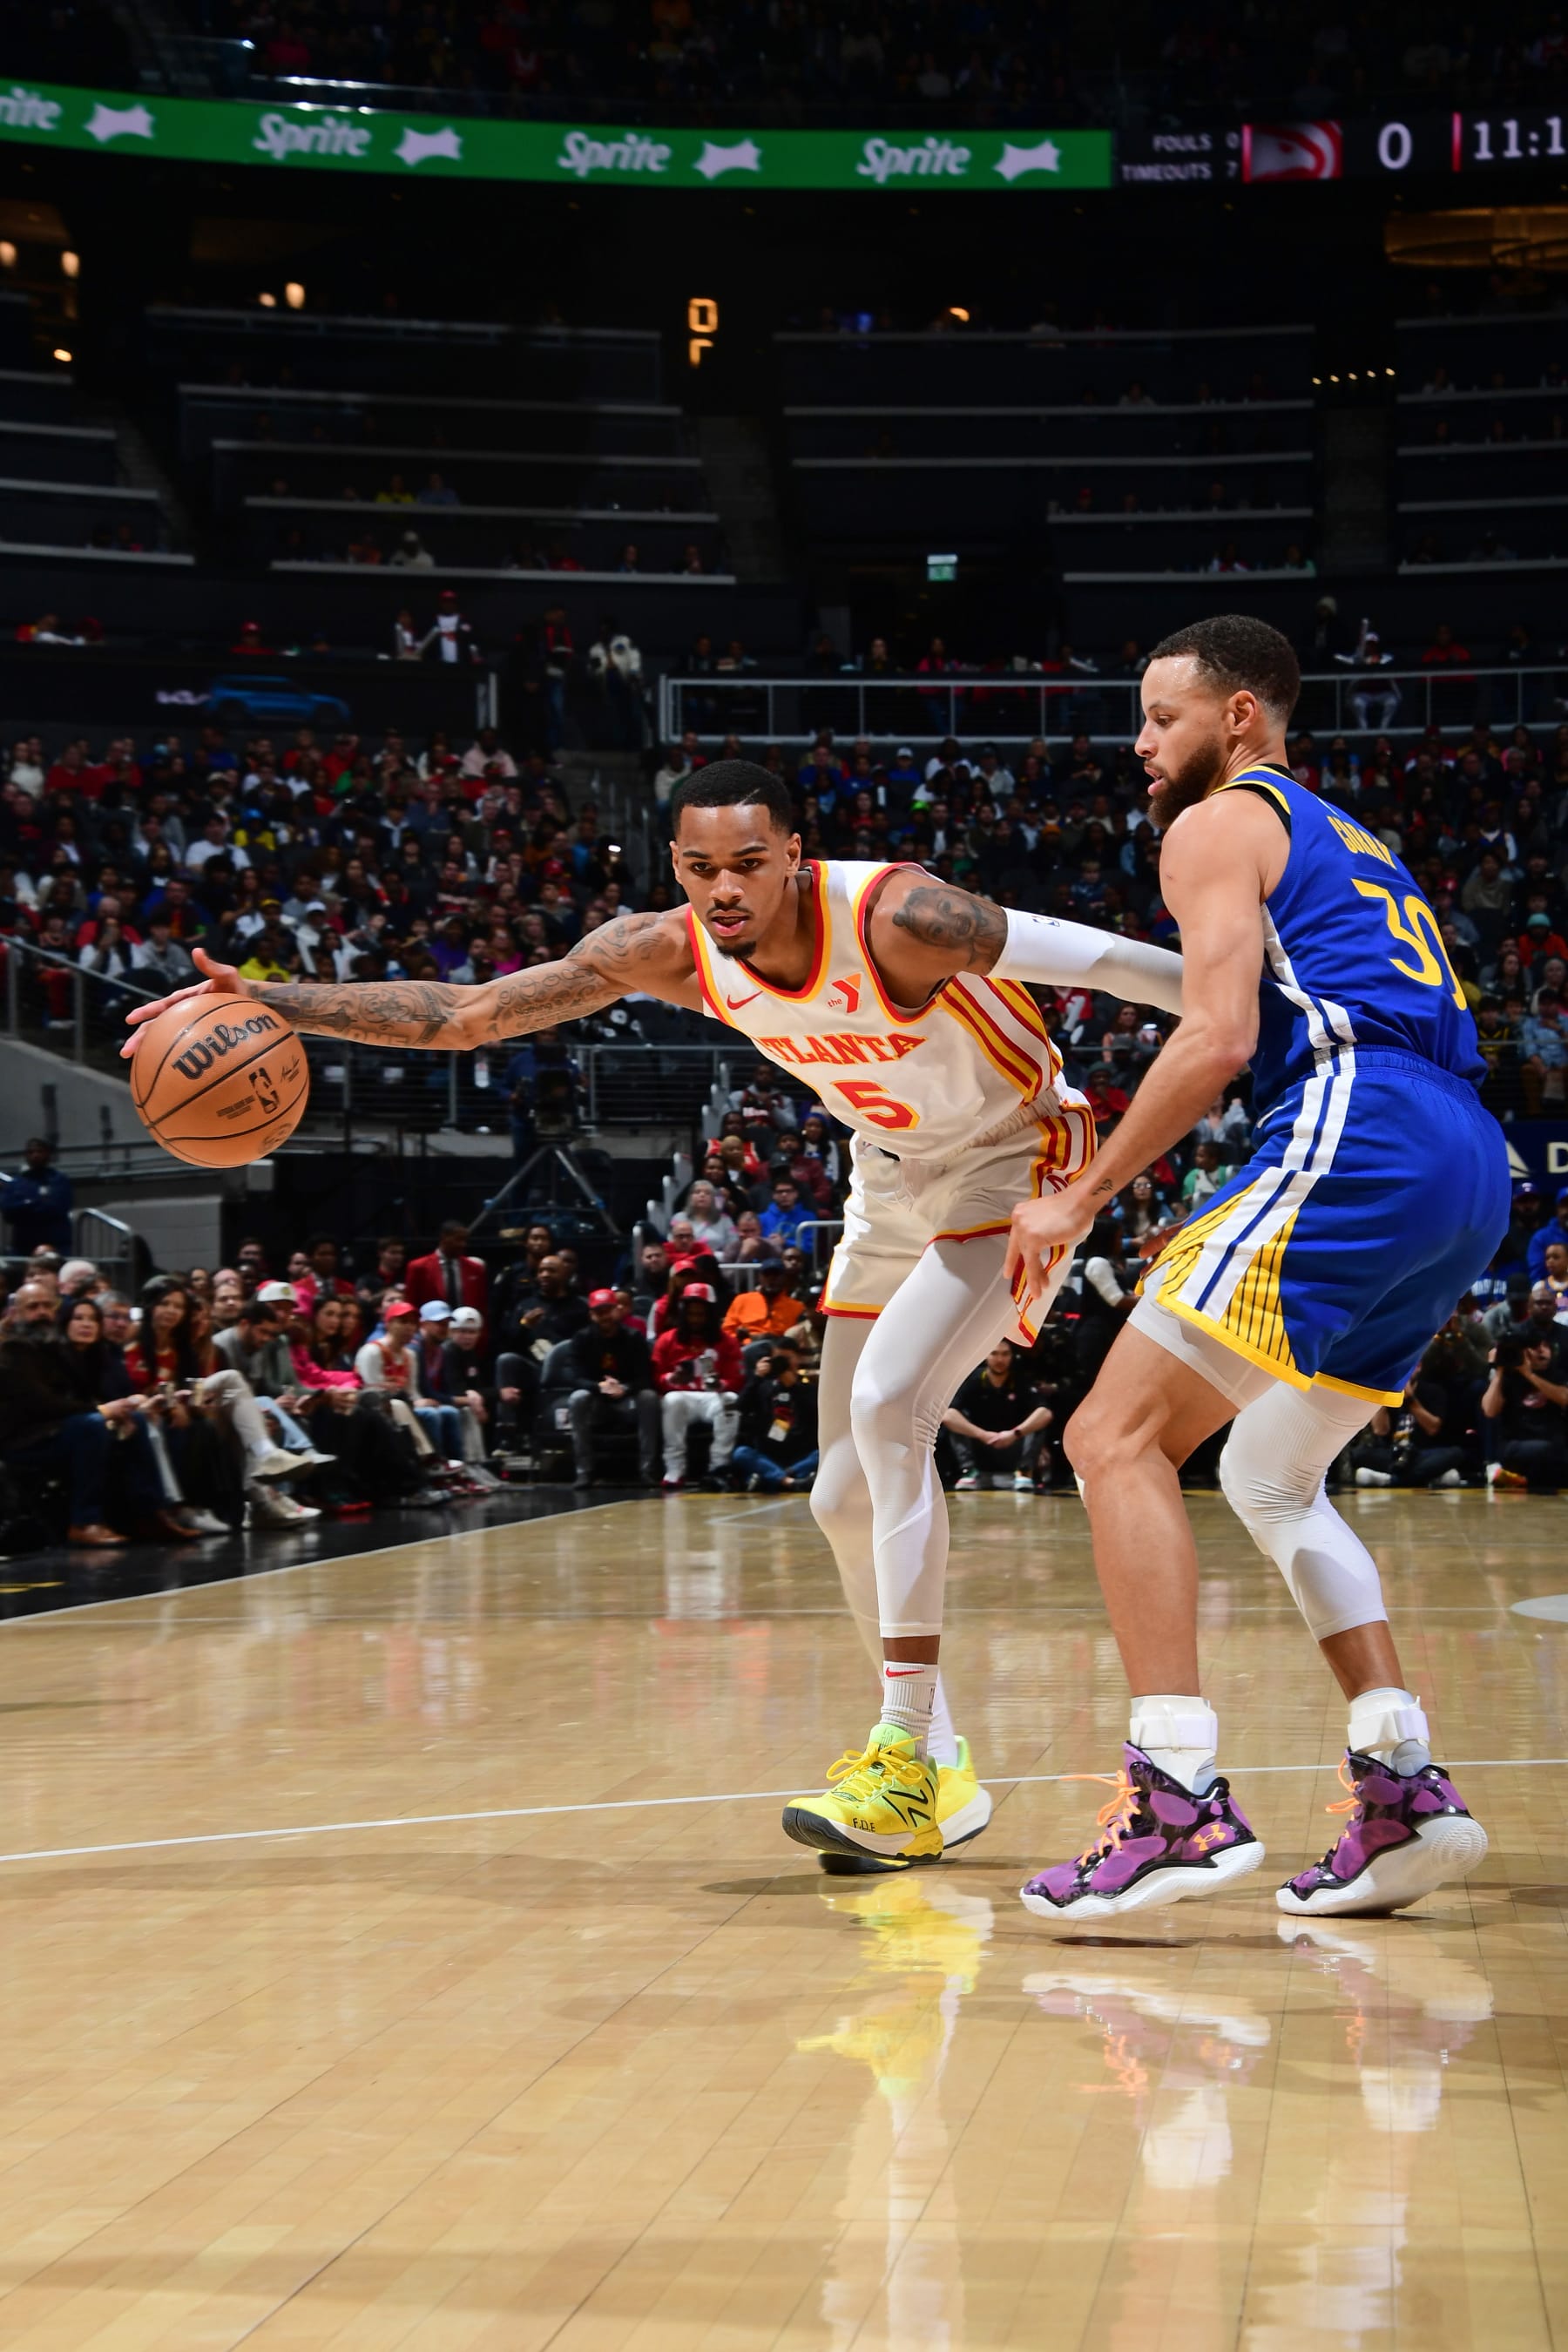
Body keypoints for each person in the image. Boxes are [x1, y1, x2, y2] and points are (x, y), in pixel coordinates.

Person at [125, 757, 1184, 1875]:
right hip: (890, 1174)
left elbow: (1112, 963)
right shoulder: (666, 950)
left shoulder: (897, 916)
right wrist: (269, 1000)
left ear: (793, 857)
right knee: (837, 1497)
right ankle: (943, 1774)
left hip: (1017, 1156)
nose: (723, 889)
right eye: (700, 868)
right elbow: (470, 1014)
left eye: (747, 864)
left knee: (887, 1409)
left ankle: (905, 1751)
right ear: (676, 866)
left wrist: (1255, 1004)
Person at [1007, 613, 1509, 1924]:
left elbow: (1222, 1037)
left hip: (1362, 1122)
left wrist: (1082, 1196)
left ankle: (1175, 1795)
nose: (1139, 741)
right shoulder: (1358, 838)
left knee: (1110, 1436)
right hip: (1466, 1160)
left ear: (1239, 719)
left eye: (1160, 716)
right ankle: (1400, 1780)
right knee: (1269, 1471)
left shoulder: (1217, 822)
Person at [0, 1281, 123, 1545]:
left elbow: (76, 1394)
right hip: (23, 1439)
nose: (42, 1312)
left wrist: (114, 1410)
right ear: (15, 1313)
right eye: (33, 1307)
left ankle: (146, 1512)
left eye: (47, 1306)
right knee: (92, 1425)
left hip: (55, 1429)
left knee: (131, 1421)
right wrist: (100, 1410)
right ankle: (84, 1522)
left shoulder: (54, 1346)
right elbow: (39, 1403)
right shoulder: (12, 1349)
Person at [562, 1288, 660, 1489]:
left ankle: (648, 1468)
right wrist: (598, 1386)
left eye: (608, 1310)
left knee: (649, 1397)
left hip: (627, 1400)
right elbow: (573, 1376)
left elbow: (645, 1377)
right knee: (577, 1398)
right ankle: (584, 1471)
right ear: (591, 1315)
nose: (605, 1316)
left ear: (617, 1311)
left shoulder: (634, 1338)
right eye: (599, 1312)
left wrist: (625, 1388)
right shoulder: (582, 1338)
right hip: (597, 1401)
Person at [652, 1284, 743, 1489]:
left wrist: (721, 1383)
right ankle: (675, 1468)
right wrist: (672, 1379)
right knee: (671, 1400)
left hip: (713, 1397)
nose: (695, 1319)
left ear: (710, 1314)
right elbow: (655, 1377)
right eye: (691, 1314)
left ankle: (719, 1468)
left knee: (731, 1401)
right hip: (682, 1397)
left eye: (701, 1314)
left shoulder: (727, 1342)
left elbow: (737, 1379)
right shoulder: (667, 1339)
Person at [942, 1340, 1054, 1490]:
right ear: (985, 1356)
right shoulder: (972, 1380)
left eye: (1005, 1354)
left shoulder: (1021, 1380)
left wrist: (1014, 1434)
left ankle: (1024, 1471)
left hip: (1013, 1445)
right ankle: (968, 1471)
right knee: (957, 1419)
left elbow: (1045, 1413)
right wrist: (983, 1435)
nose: (999, 1360)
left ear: (1012, 1356)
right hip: (981, 1446)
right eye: (994, 1354)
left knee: (1037, 1420)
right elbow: (948, 1415)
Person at [1482, 1322, 1568, 1488]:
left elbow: (1564, 1399)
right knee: (1545, 1450)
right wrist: (1499, 1371)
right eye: (1536, 1347)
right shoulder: (1508, 1378)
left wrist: (1529, 1375)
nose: (1542, 1351)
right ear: (1524, 1352)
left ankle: (1522, 1481)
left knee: (1552, 1452)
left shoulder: (1556, 1375)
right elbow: (1490, 1411)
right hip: (1516, 1445)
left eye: (1545, 1346)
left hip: (1554, 1445)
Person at [731, 1341, 819, 1490]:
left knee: (824, 1454)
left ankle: (776, 1477)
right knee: (741, 1453)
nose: (782, 1363)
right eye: (778, 1359)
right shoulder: (762, 1386)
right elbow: (740, 1406)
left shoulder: (808, 1388)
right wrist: (757, 1376)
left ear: (797, 1359)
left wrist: (794, 1388)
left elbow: (816, 1415)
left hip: (801, 1454)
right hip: (768, 1453)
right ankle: (792, 1482)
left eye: (787, 1358)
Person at [406, 1220, 489, 1326]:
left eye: (465, 1240)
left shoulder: (475, 1268)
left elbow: (482, 1306)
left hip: (467, 1330)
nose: (462, 1244)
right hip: (432, 1331)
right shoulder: (419, 1267)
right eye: (458, 1240)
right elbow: (412, 1304)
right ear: (444, 1237)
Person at [4, 1138, 73, 1254]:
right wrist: (36, 1204)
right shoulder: (18, 1182)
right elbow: (8, 1210)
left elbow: (57, 1208)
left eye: (39, 1151)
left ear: (48, 1154)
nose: (35, 1155)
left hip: (55, 1243)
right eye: (31, 1152)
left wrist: (26, 1207)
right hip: (23, 1244)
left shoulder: (59, 1180)